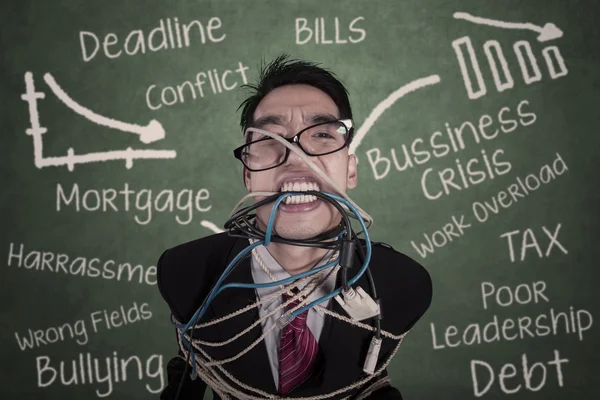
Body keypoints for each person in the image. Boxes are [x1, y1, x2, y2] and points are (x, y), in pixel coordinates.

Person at [157, 55, 433, 399]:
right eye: (270, 139)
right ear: (247, 174)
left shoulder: (404, 284)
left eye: (321, 134)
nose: (296, 157)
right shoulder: (187, 273)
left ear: (350, 169)